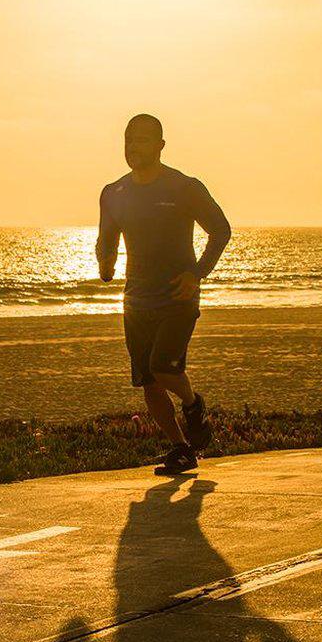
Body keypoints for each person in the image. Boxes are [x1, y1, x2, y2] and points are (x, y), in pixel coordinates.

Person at [96, 114, 231, 475]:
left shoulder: (184, 187)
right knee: (148, 381)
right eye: (128, 140)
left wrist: (197, 274)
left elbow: (220, 230)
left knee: (164, 368)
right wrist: (105, 263)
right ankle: (181, 448)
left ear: (160, 145)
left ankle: (192, 403)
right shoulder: (113, 192)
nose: (134, 147)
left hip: (177, 296)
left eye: (142, 139)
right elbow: (106, 237)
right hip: (135, 300)